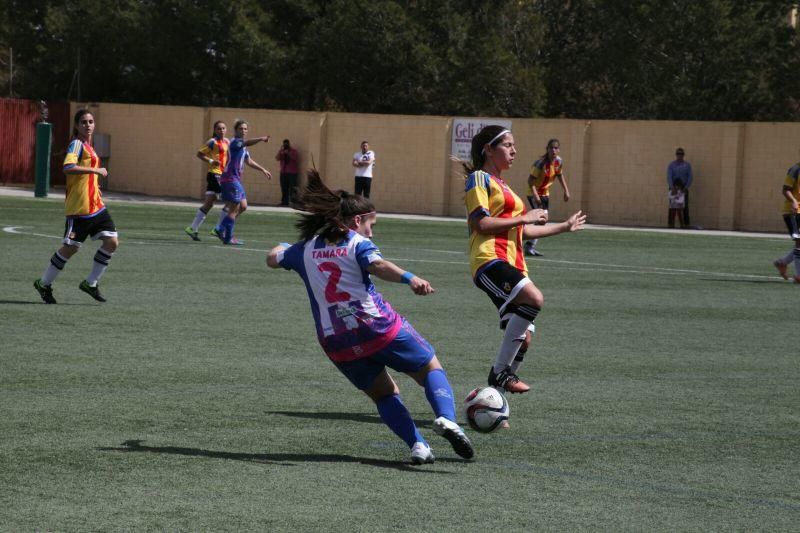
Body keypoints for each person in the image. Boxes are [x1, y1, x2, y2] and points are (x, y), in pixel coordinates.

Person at [266, 170, 474, 464]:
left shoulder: (305, 250)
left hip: (336, 340)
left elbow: (272, 258)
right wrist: (410, 278)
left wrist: (286, 247)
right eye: (370, 225)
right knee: (429, 367)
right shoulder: (356, 243)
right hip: (377, 326)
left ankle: (417, 445)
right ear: (355, 221)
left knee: (384, 394)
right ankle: (447, 419)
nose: (371, 232)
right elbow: (378, 266)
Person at [463, 125, 586, 394]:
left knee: (525, 339)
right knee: (534, 298)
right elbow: (481, 223)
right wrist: (524, 216)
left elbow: (523, 230)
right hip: (489, 260)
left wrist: (563, 227)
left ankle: (494, 399)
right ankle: (499, 374)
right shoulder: (479, 179)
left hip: (513, 263)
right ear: (488, 150)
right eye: (508, 145)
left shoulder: (504, 186)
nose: (514, 151)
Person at [33, 109, 119, 304]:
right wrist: (95, 170)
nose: (88, 125)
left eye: (90, 121)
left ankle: (91, 283)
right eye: (83, 122)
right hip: (80, 209)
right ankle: (44, 283)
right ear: (76, 126)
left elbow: (87, 178)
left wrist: (95, 184)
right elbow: (68, 167)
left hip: (97, 206)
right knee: (70, 248)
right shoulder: (77, 145)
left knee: (112, 242)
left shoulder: (90, 146)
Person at [212, 119, 271, 245]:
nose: (243, 131)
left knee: (243, 206)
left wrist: (263, 170)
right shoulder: (235, 143)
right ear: (235, 130)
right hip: (230, 178)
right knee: (235, 208)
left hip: (236, 179)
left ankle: (221, 228)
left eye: (245, 129)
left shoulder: (243, 146)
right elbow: (247, 143)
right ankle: (227, 235)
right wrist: (261, 139)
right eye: (241, 129)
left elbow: (248, 161)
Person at [524, 138, 571, 256]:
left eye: (556, 148)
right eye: (551, 148)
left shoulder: (558, 162)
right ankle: (524, 241)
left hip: (545, 194)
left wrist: (566, 191)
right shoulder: (540, 163)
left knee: (542, 221)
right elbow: (530, 181)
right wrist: (535, 196)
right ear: (547, 149)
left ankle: (528, 244)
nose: (553, 150)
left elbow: (560, 176)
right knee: (541, 219)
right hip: (533, 193)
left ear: (559, 150)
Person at [184, 120, 230, 241]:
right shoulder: (212, 142)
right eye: (219, 128)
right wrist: (211, 161)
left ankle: (192, 228)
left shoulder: (227, 142)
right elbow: (199, 154)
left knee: (208, 204)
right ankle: (218, 229)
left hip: (222, 175)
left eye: (224, 128)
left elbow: (229, 157)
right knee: (231, 201)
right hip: (215, 174)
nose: (222, 130)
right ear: (215, 130)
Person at [773, 161, 800, 283]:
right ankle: (799, 275)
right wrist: (794, 201)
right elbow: (785, 189)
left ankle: (782, 262)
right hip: (793, 212)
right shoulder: (795, 169)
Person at [667, 147, 693, 227]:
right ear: (676, 155)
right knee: (672, 207)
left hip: (683, 188)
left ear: (683, 155)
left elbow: (690, 177)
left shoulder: (687, 165)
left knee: (684, 207)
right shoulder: (671, 165)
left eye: (681, 154)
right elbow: (669, 176)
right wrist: (672, 188)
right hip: (673, 188)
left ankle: (685, 224)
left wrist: (686, 187)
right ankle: (671, 224)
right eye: (678, 154)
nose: (680, 155)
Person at [275, 139, 299, 206]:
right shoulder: (282, 151)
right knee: (284, 187)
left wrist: (288, 153)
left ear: (289, 144)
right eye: (284, 144)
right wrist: (280, 151)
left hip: (292, 172)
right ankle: (284, 202)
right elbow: (277, 158)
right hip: (283, 172)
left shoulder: (294, 151)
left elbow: (295, 158)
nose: (285, 145)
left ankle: (293, 202)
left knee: (292, 188)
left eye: (286, 144)